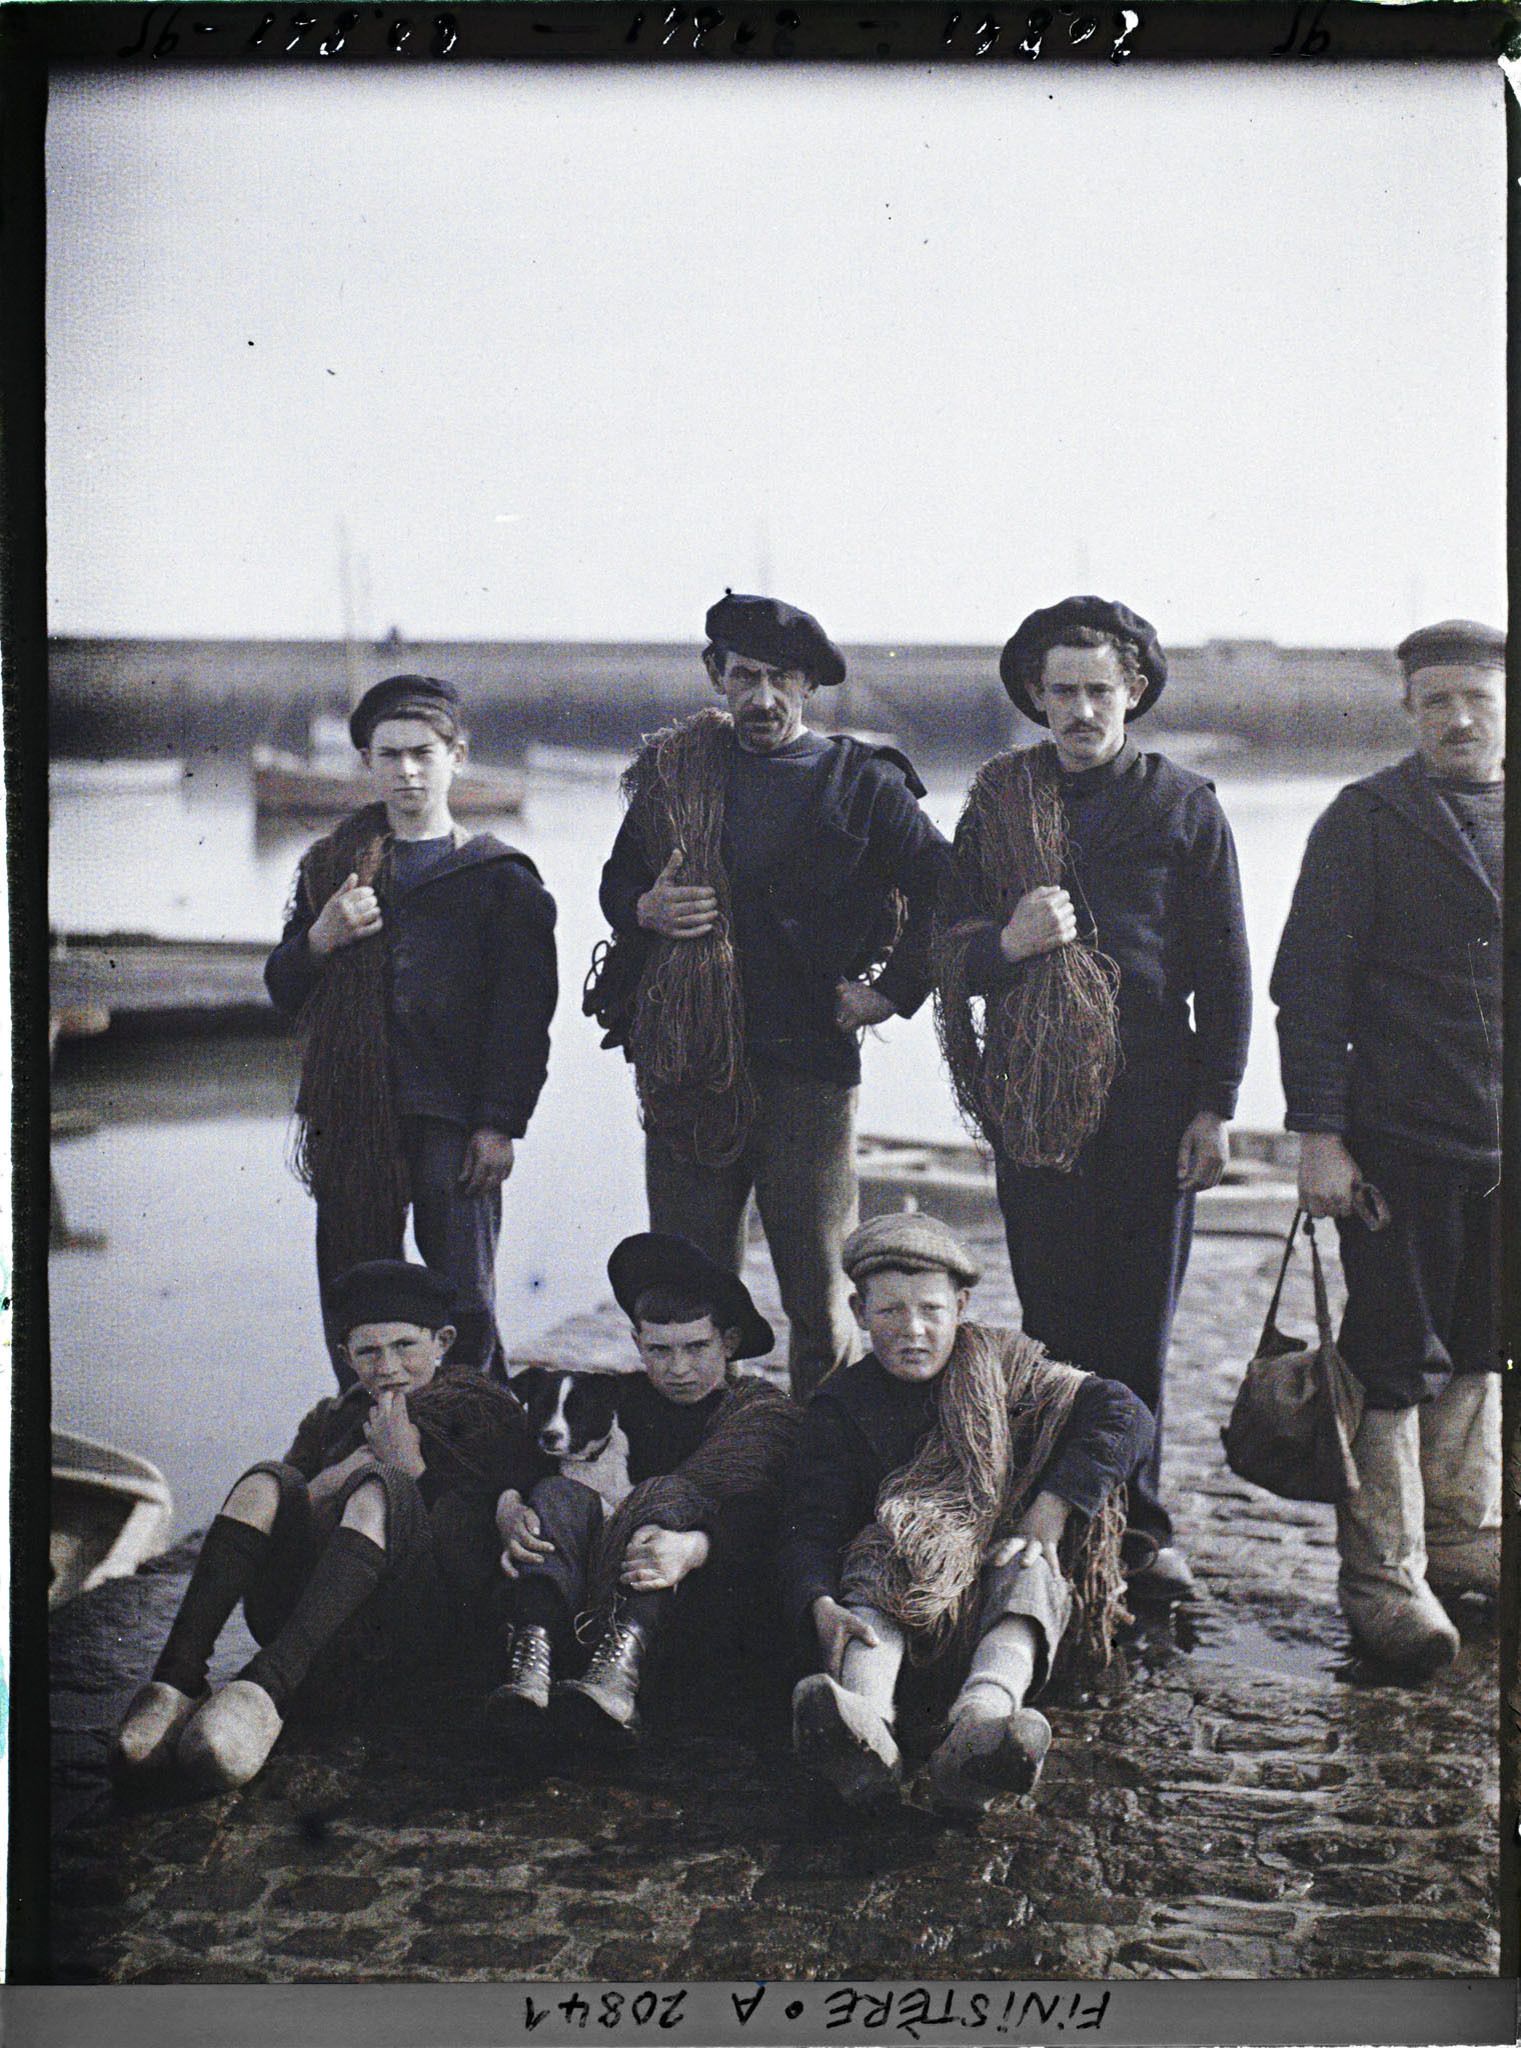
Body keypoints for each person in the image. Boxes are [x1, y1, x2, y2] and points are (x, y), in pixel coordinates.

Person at [934, 596, 1251, 1605]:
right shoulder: (997, 805)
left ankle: (1141, 1527)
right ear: (1033, 696)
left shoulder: (1185, 802)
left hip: (1154, 1099)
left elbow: (1228, 971)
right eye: (1060, 690)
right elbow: (945, 949)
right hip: (1036, 1104)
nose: (1080, 710)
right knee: (1056, 1319)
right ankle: (1055, 1515)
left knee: (1138, 1327)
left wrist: (1218, 1104)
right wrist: (1007, 944)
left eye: (1098, 690)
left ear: (1136, 693)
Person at [592, 592, 952, 1401]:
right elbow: (618, 883)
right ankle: (711, 1455)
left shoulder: (860, 783)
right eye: (745, 676)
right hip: (686, 1069)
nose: (762, 699)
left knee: (820, 1295)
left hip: (808, 1071)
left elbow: (950, 886)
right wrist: (643, 908)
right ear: (716, 675)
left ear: (809, 689)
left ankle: (822, 1460)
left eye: (782, 680)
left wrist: (891, 994)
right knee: (690, 1290)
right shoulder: (674, 776)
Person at [1270, 619, 1504, 1678]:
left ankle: (1463, 1547)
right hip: (1397, 1144)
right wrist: (1320, 1135)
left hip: (1503, 1148)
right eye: (1436, 701)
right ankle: (1385, 1579)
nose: (1459, 719)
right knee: (1394, 1356)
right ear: (1408, 712)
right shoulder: (1365, 819)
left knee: (1487, 1341)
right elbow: (1308, 993)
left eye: (1479, 698)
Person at [111, 1261, 540, 1793]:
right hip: (318, 1633)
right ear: (346, 1356)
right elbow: (289, 1516)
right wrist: (334, 1478)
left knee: (382, 1486)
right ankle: (176, 1680)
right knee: (266, 1479)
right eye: (368, 1351)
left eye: (405, 1346)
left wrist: (412, 1473)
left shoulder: (482, 1414)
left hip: (414, 1641)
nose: (388, 1367)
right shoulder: (332, 1418)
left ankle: (263, 1691)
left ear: (443, 1341)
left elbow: (475, 1563)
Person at [777, 1213, 1151, 1816]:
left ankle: (982, 1729)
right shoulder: (841, 1407)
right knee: (884, 1556)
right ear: (857, 1310)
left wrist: (1048, 1512)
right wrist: (817, 1603)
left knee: (1030, 1569)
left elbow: (1126, 1414)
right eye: (890, 1311)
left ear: (962, 1305)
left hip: (988, 1603)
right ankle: (864, 1725)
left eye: (931, 1310)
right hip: (898, 1617)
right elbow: (808, 1524)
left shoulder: (1003, 1369)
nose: (913, 1330)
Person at [265, 674, 558, 1381]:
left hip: (453, 1118)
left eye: (423, 753)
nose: (406, 772)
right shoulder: (331, 868)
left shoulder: (500, 879)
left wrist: (498, 1124)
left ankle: (475, 1425)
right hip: (353, 1114)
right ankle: (364, 1428)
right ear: (367, 762)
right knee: (354, 1291)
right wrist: (320, 939)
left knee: (465, 1297)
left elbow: (523, 1021)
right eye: (388, 755)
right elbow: (282, 989)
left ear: (457, 755)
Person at [488, 1232, 798, 1745]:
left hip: (693, 1600)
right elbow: (530, 1444)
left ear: (729, 1342)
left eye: (696, 1347)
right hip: (584, 1586)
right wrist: (508, 1505)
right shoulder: (613, 1398)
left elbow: (767, 1514)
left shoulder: (754, 1415)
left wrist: (695, 1547)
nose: (677, 1369)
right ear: (636, 1344)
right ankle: (531, 1660)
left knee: (664, 1500)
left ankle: (620, 1674)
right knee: (559, 1492)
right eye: (659, 1349)